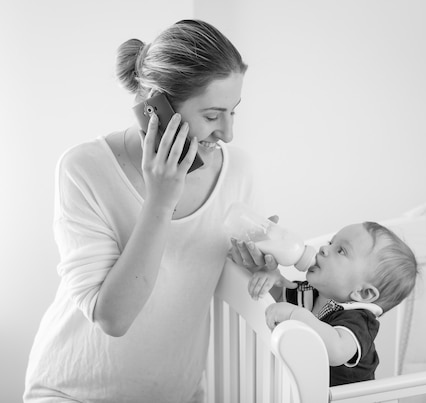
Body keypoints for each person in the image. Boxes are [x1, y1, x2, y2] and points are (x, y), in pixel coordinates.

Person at [23, 19, 253, 403]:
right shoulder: (83, 168)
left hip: (176, 394)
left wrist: (258, 267)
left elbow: (219, 269)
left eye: (234, 112)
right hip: (71, 392)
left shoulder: (238, 171)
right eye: (212, 116)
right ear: (156, 110)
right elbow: (113, 318)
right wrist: (160, 201)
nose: (227, 134)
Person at [245, 221, 418, 386]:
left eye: (341, 250)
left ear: (363, 293)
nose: (324, 248)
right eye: (331, 242)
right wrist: (271, 277)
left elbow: (336, 350)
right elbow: (276, 302)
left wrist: (295, 315)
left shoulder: (359, 320)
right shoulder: (310, 291)